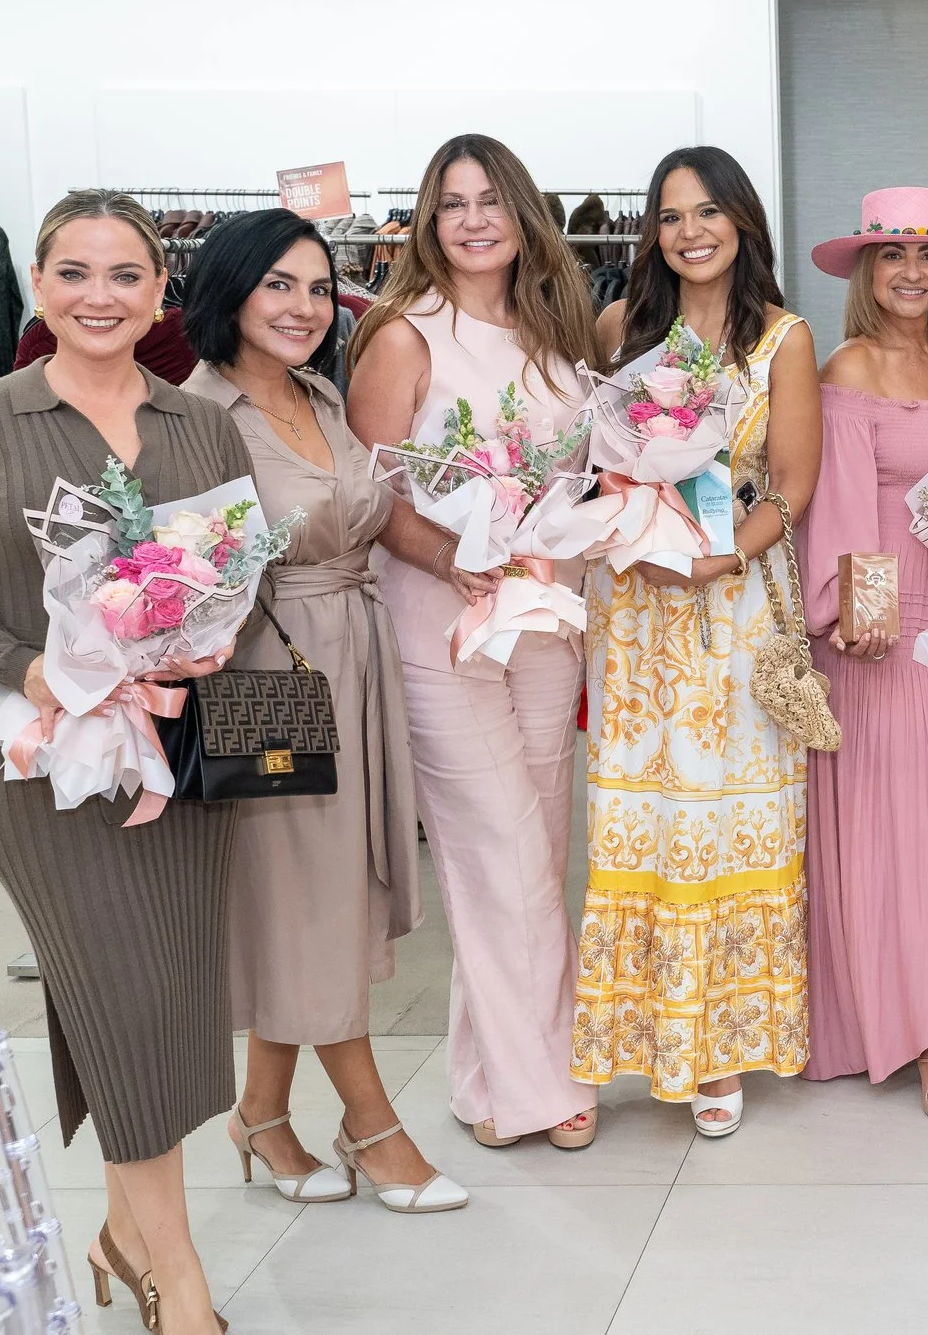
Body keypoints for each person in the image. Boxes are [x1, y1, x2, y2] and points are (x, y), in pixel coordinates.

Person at [0, 190, 250, 1333]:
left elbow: (244, 570)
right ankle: (178, 1277)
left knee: (166, 1001)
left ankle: (122, 1234)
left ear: (161, 291)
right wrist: (31, 666)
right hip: (44, 769)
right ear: (39, 285)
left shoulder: (201, 424)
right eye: (76, 273)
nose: (101, 295)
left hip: (179, 757)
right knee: (122, 990)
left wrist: (202, 640)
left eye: (126, 274)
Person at [180, 209, 465, 1213]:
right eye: (278, 284)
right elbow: (187, 574)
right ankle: (373, 1125)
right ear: (230, 291)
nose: (303, 306)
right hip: (266, 674)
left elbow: (375, 512)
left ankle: (261, 1113)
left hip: (354, 654)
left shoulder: (320, 394)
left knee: (323, 892)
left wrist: (467, 559)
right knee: (308, 897)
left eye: (315, 286)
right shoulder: (196, 415)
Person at [346, 134, 604, 1153]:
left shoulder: (556, 334)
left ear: (523, 213)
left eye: (490, 199)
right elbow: (370, 494)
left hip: (543, 616)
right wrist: (452, 554)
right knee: (496, 847)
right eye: (451, 203)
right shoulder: (402, 335)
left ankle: (487, 1075)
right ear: (427, 221)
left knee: (537, 848)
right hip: (440, 620)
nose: (472, 219)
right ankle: (547, 1084)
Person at [569, 146, 822, 1138]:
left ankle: (718, 1045)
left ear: (742, 220)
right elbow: (593, 466)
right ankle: (637, 1033)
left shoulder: (783, 338)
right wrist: (628, 525)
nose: (690, 231)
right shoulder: (617, 330)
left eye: (708, 211)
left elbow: (791, 485)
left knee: (723, 819)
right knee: (640, 819)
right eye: (671, 216)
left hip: (731, 604)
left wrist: (721, 559)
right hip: (636, 609)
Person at [800, 190, 928, 1125]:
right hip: (878, 629)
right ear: (868, 272)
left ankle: (916, 1003)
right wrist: (861, 619)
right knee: (902, 831)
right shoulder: (848, 365)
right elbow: (836, 503)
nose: (913, 271)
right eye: (893, 255)